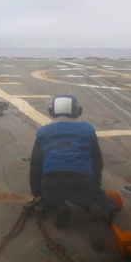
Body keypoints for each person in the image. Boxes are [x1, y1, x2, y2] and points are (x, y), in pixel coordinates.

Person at [29, 94, 116, 251]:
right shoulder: (87, 129)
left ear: (51, 112)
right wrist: (95, 183)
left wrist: (37, 192)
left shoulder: (43, 132)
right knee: (105, 204)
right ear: (78, 111)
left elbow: (35, 164)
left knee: (52, 196)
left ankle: (59, 207)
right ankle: (97, 212)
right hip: (80, 180)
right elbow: (97, 161)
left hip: (50, 182)